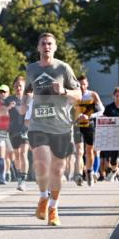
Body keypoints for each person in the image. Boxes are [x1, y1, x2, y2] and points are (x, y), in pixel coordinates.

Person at [22, 33, 81, 227]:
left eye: (50, 44)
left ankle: (53, 208)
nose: (46, 46)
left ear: (54, 47)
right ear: (38, 48)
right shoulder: (31, 69)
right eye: (43, 44)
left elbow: (79, 94)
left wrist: (64, 91)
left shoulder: (63, 68)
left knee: (57, 169)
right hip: (38, 125)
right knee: (40, 163)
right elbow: (28, 90)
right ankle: (42, 197)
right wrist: (25, 107)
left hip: (61, 126)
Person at [71, 75, 103, 186]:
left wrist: (89, 116)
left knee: (89, 150)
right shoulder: (73, 96)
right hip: (77, 126)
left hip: (89, 125)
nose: (82, 87)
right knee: (79, 151)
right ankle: (79, 174)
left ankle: (89, 171)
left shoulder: (93, 95)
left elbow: (102, 110)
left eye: (84, 84)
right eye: (80, 85)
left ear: (87, 84)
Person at [4, 76, 30, 191]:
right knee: (17, 155)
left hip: (25, 129)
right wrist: (10, 107)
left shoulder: (28, 99)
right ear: (13, 87)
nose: (18, 88)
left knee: (23, 153)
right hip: (13, 130)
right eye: (16, 86)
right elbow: (0, 113)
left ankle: (23, 180)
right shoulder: (9, 99)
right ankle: (19, 176)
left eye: (20, 86)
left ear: (24, 87)